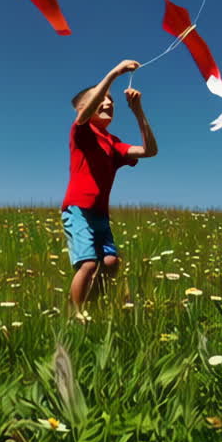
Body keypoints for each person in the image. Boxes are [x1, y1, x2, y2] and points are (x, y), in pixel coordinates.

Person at [61, 59, 157, 315]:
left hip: (100, 214)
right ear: (84, 107)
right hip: (78, 209)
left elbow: (149, 151)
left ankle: (89, 306)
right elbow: (83, 116)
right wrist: (115, 73)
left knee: (111, 263)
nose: (109, 104)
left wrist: (137, 110)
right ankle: (75, 314)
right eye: (101, 99)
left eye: (112, 102)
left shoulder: (113, 143)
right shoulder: (81, 132)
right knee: (89, 264)